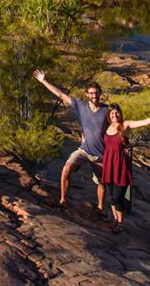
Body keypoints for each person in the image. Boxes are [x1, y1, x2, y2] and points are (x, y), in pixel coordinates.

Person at [33, 69, 108, 212]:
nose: (94, 95)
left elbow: (116, 127)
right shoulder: (81, 106)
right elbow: (61, 94)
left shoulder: (106, 110)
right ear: (87, 94)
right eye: (91, 93)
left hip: (100, 155)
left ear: (100, 93)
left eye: (96, 92)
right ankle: (63, 201)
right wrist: (43, 81)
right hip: (84, 150)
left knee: (102, 183)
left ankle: (100, 209)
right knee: (66, 169)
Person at [101, 103, 150, 233]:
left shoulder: (125, 125)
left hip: (121, 166)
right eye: (112, 113)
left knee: (117, 198)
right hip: (109, 166)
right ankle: (115, 220)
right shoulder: (106, 127)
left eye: (117, 112)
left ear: (120, 113)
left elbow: (145, 122)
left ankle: (120, 223)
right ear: (109, 116)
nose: (115, 115)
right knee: (112, 196)